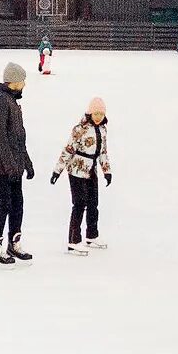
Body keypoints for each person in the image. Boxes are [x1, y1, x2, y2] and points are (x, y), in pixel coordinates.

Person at [0, 62, 34, 267]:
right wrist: (10, 166)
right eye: (22, 81)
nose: (24, 85)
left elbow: (18, 138)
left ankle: (14, 243)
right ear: (13, 81)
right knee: (3, 204)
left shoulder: (11, 101)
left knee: (17, 205)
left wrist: (26, 163)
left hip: (13, 164)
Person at [50, 96, 112, 255]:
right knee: (79, 204)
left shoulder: (103, 130)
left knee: (93, 203)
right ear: (90, 113)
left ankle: (92, 235)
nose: (98, 116)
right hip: (77, 169)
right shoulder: (80, 129)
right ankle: (73, 241)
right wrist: (57, 170)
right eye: (95, 113)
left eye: (101, 114)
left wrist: (107, 171)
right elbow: (68, 150)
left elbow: (103, 152)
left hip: (92, 171)